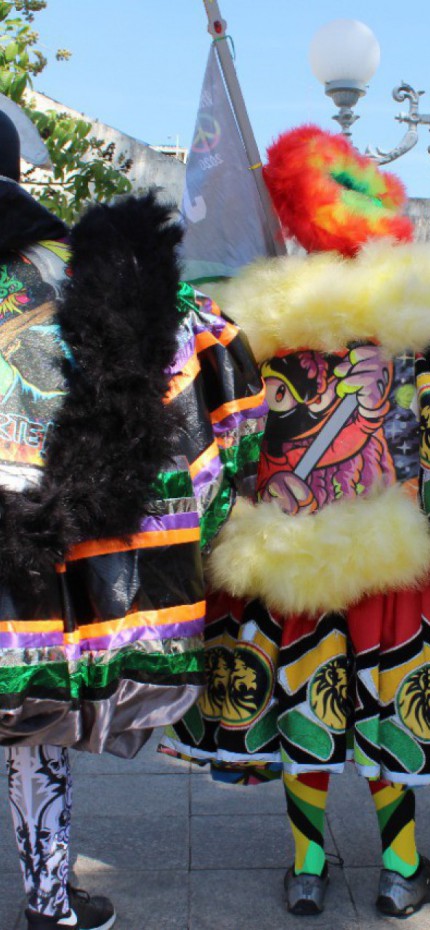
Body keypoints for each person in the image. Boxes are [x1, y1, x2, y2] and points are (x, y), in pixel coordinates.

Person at [161, 125, 430, 918]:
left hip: (279, 560)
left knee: (307, 710)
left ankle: (306, 869)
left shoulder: (248, 328)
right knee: (384, 716)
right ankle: (400, 871)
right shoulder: (416, 328)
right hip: (387, 561)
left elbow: (204, 442)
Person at [0, 110, 266, 930]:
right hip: (35, 553)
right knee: (29, 733)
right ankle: (50, 900)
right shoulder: (84, 275)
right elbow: (226, 393)